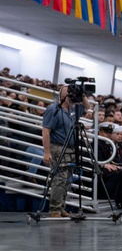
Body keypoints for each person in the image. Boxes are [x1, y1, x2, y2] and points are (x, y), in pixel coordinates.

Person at [41, 85, 87, 217]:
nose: (72, 93)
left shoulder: (73, 109)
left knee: (67, 180)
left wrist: (81, 94)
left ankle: (61, 207)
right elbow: (46, 131)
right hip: (58, 147)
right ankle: (54, 209)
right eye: (70, 91)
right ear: (62, 95)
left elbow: (88, 107)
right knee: (59, 179)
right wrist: (47, 151)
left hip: (71, 148)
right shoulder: (53, 109)